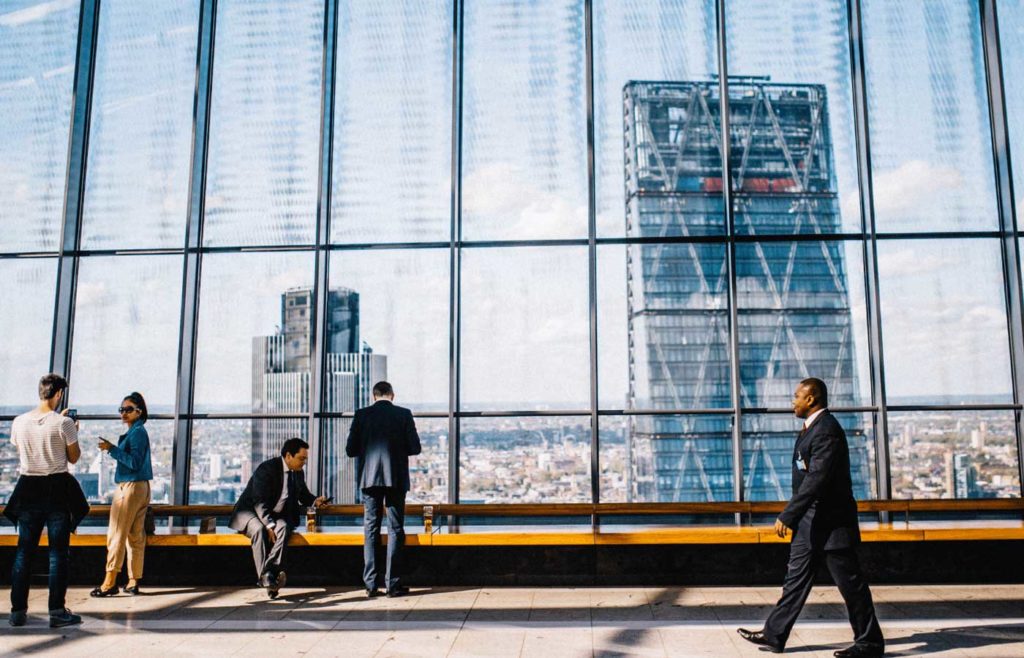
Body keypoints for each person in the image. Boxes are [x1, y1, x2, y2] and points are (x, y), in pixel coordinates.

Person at [737, 378, 885, 657]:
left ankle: (870, 643)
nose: (792, 401)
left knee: (851, 585)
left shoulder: (827, 430)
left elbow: (817, 479)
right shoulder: (812, 428)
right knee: (795, 580)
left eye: (796, 396)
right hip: (810, 523)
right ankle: (774, 634)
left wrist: (788, 514)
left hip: (831, 525)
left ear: (812, 399)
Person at [4, 373, 89, 628]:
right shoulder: (63, 424)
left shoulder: (19, 422)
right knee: (58, 554)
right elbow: (73, 458)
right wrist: (72, 430)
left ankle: (18, 611)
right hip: (55, 490)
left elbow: (22, 450)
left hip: (28, 488)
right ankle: (56, 610)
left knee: (23, 552)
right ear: (59, 394)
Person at [345, 381, 421, 598]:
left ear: (374, 396)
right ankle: (393, 584)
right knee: (396, 529)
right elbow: (415, 447)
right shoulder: (404, 414)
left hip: (369, 479)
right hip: (395, 478)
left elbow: (351, 450)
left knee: (370, 529)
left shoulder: (361, 415)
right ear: (392, 395)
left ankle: (370, 585)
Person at [229, 438, 328, 599]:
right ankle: (269, 579)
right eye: (301, 458)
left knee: (284, 528)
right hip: (250, 512)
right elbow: (258, 501)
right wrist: (269, 524)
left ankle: (268, 575)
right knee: (260, 530)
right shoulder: (267, 469)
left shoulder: (298, 473)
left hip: (275, 515)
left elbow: (303, 495)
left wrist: (315, 501)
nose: (304, 463)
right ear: (288, 455)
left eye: (305, 459)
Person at [91, 392, 153, 597]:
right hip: (141, 487)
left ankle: (109, 582)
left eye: (128, 410)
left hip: (129, 487)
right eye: (121, 410)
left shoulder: (136, 433)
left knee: (117, 533)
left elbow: (133, 462)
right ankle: (133, 580)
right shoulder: (138, 432)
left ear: (139, 411)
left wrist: (111, 449)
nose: (123, 413)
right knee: (135, 535)